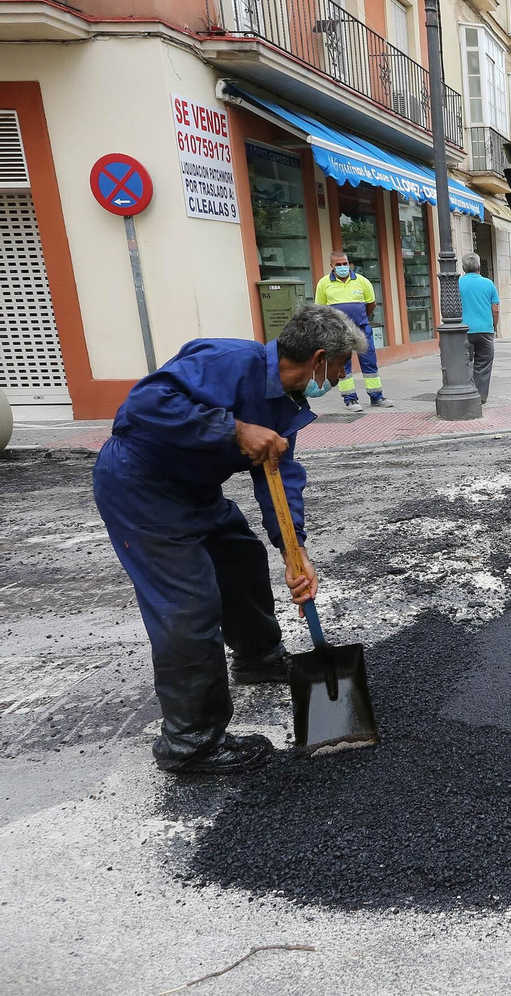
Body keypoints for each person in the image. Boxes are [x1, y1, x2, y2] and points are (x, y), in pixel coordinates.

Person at [92, 306, 365, 774]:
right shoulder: (228, 361)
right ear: (320, 358)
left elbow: (279, 475)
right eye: (342, 366)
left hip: (197, 491)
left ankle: (259, 657)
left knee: (241, 559)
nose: (342, 378)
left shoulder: (287, 401)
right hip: (141, 486)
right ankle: (191, 743)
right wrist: (235, 429)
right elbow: (144, 405)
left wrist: (295, 549)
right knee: (188, 606)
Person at [313, 250, 393, 412]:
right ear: (331, 266)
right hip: (338, 333)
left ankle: (377, 397)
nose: (343, 267)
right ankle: (350, 399)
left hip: (361, 329)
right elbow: (320, 309)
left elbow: (371, 304)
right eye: (338, 264)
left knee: (369, 363)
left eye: (345, 263)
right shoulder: (324, 283)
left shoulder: (362, 281)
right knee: (343, 366)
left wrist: (359, 319)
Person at [458, 252, 499, 403]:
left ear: (463, 267)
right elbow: (495, 309)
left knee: (465, 363)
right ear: (479, 267)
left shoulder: (457, 283)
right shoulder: (489, 284)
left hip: (463, 331)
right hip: (485, 330)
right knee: (484, 364)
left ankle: (467, 394)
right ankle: (481, 396)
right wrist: (494, 326)